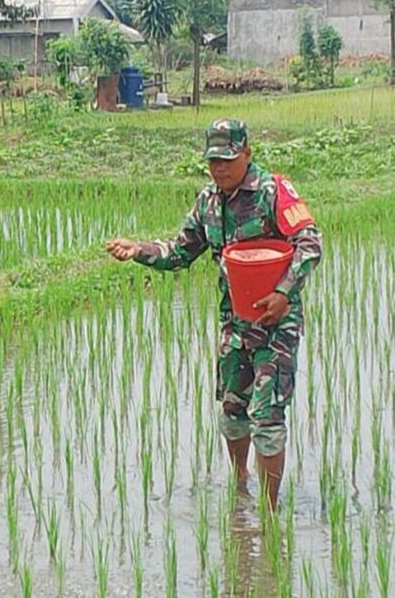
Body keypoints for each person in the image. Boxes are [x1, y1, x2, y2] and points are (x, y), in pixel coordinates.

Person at [106, 119, 322, 511]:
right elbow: (180, 250)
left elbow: (309, 243)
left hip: (275, 324)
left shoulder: (274, 192)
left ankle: (269, 513)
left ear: (247, 153)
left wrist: (283, 292)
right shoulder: (208, 201)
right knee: (232, 409)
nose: (220, 168)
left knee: (267, 414)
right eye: (213, 161)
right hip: (235, 324)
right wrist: (138, 249)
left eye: (228, 159)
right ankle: (242, 486)